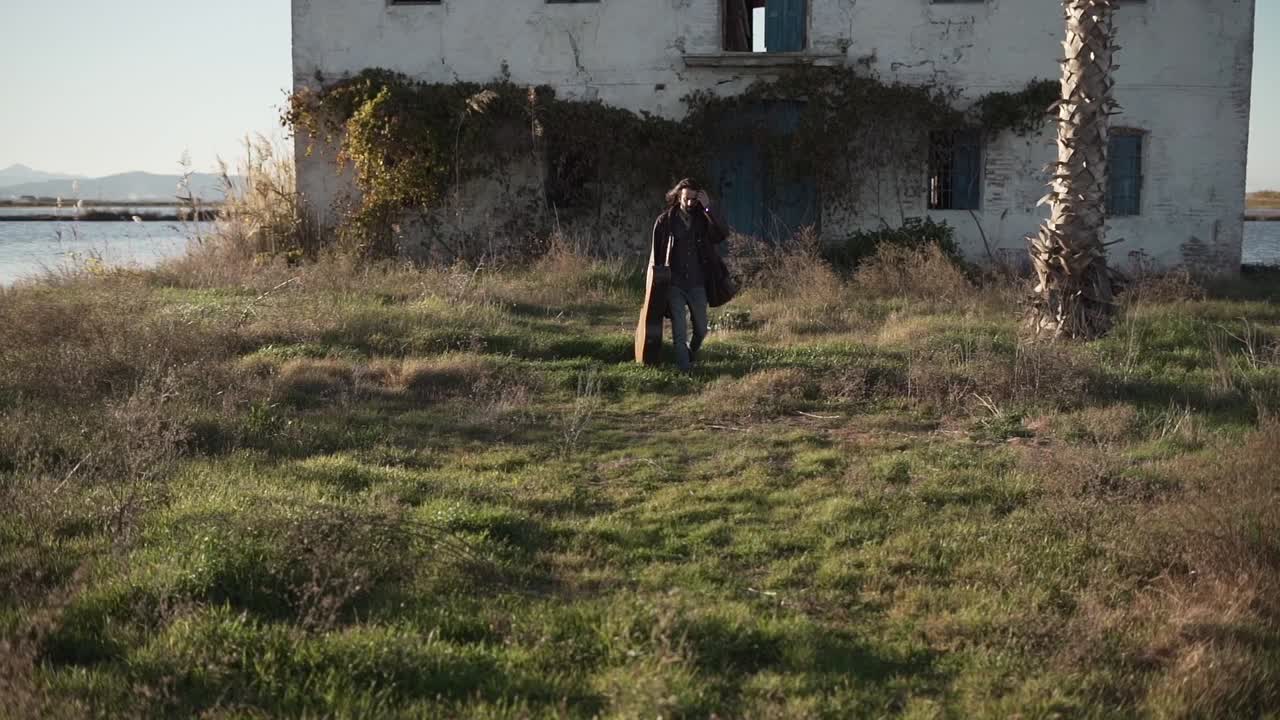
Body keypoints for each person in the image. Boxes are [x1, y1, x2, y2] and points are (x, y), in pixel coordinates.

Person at [650, 178, 728, 372]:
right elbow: (656, 256)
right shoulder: (665, 221)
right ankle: (685, 370)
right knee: (679, 331)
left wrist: (709, 208)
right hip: (674, 284)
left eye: (694, 199)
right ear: (678, 196)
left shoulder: (703, 218)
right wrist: (657, 285)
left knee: (701, 329)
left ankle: (690, 354)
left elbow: (721, 234)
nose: (690, 203)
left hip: (697, 283)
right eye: (687, 198)